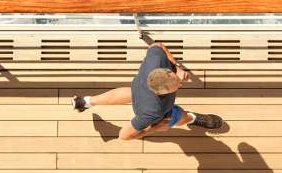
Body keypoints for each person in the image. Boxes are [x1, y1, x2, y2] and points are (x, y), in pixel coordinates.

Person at [72, 37, 223, 139]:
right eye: (176, 84)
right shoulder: (153, 111)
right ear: (163, 93)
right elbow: (123, 135)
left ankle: (85, 102)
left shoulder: (156, 60)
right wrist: (154, 129)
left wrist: (176, 68)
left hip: (139, 87)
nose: (180, 82)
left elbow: (157, 45)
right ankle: (192, 118)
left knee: (132, 92)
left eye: (173, 76)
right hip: (154, 109)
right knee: (177, 115)